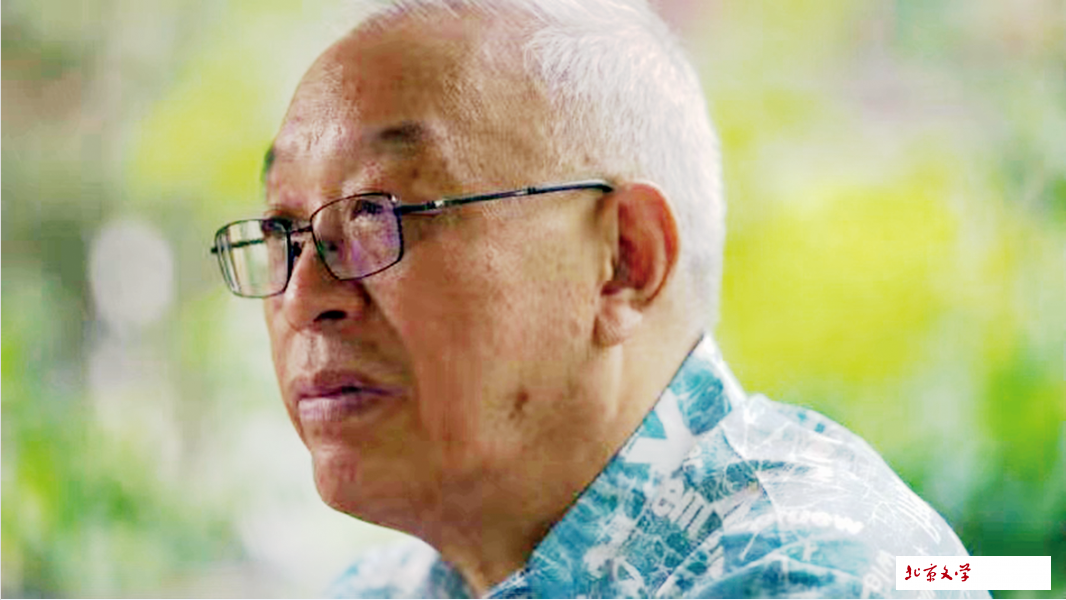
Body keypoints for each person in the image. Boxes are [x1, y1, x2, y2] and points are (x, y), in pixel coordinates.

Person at [209, 0, 989, 597]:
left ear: (625, 261)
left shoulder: (812, 572)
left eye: (377, 214)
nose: (303, 298)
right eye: (284, 230)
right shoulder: (388, 588)